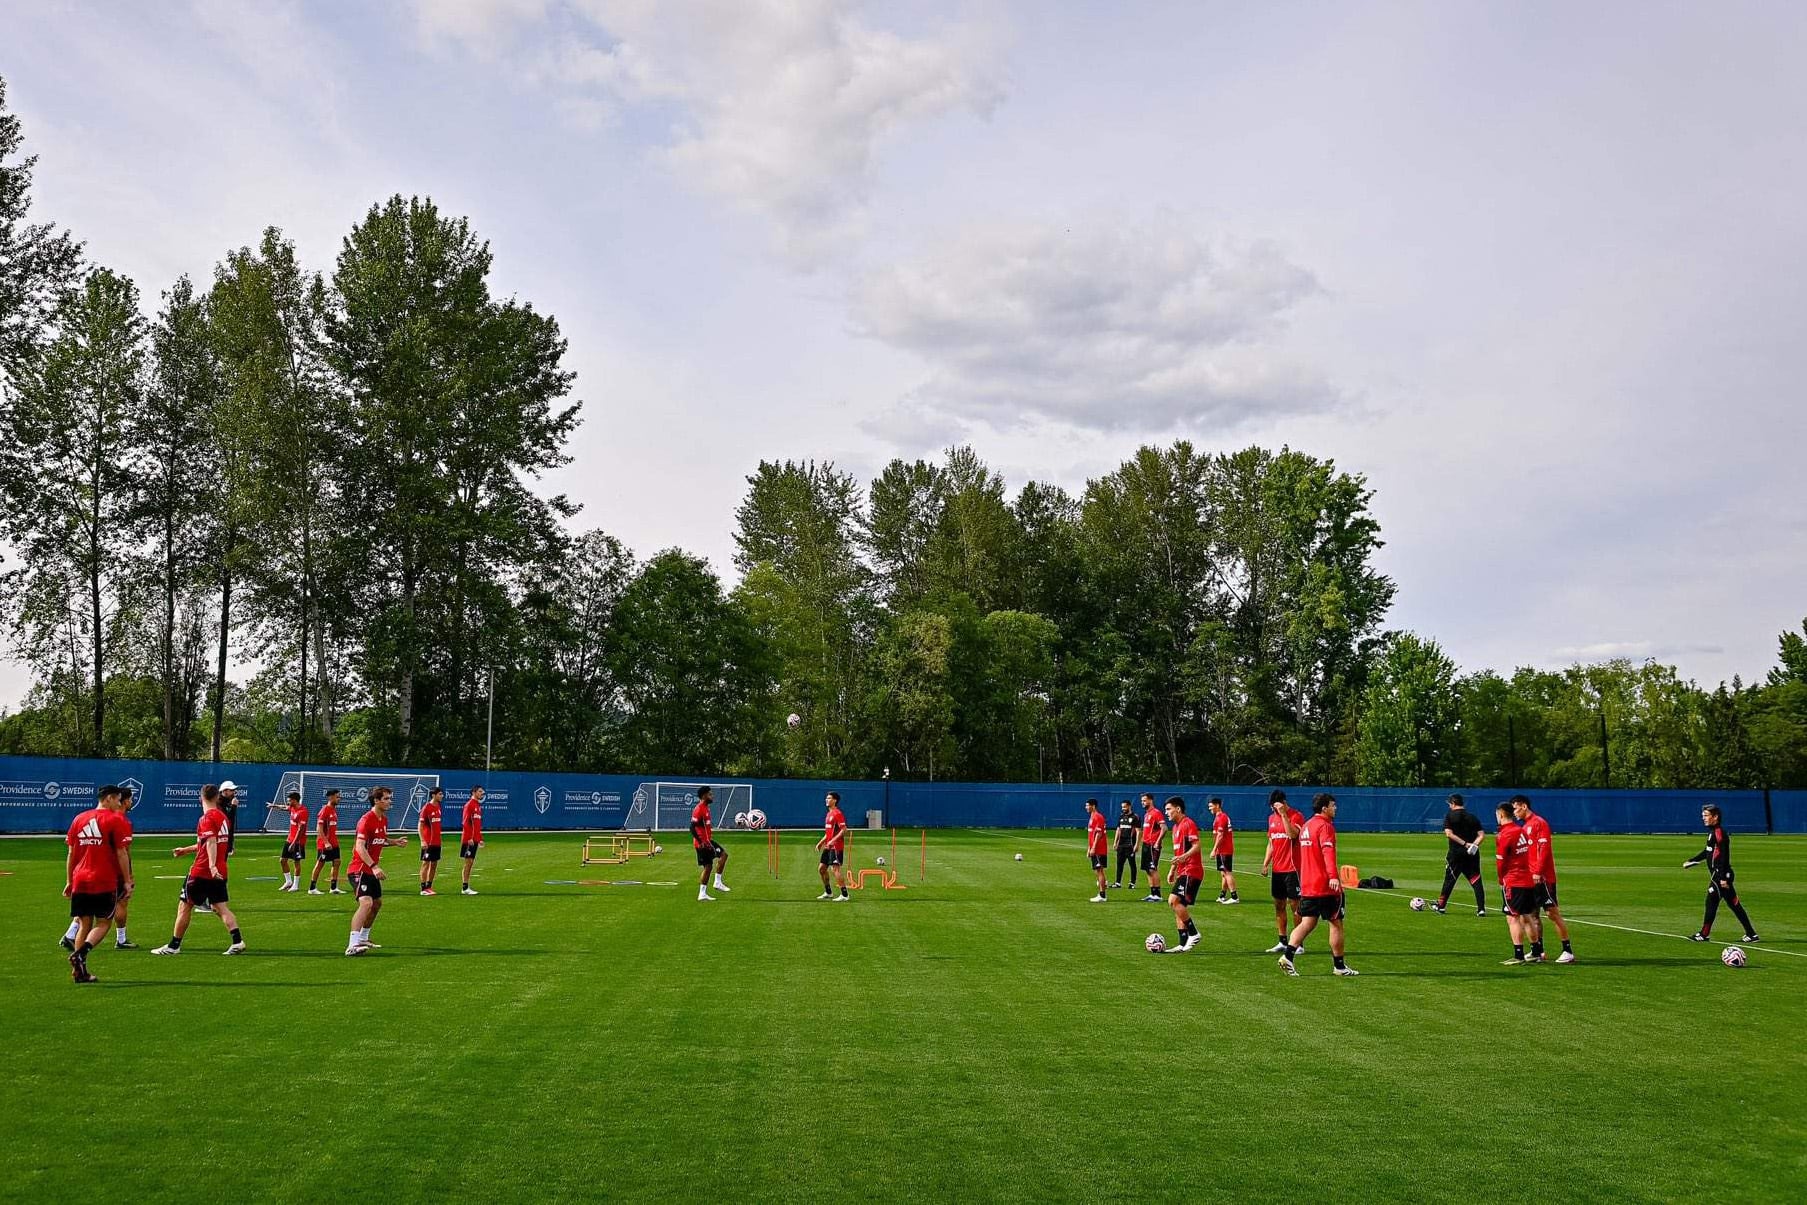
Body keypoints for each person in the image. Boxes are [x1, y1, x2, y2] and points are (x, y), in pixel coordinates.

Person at [152, 784, 246, 956]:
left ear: (200, 798)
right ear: (217, 797)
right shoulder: (223, 817)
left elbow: (210, 842)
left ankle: (174, 946)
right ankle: (237, 941)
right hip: (220, 870)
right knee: (220, 908)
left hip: (202, 871)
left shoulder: (206, 818)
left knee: (184, 906)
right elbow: (207, 843)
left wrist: (211, 865)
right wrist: (185, 850)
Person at [1277, 793, 1356, 977]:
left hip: (1308, 884)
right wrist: (1333, 877)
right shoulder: (1325, 826)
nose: (1335, 808)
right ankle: (1339, 966)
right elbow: (1328, 853)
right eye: (1333, 805)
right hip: (1325, 885)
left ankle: (1288, 956)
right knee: (1336, 923)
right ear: (1324, 808)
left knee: (1307, 923)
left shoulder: (1306, 826)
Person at [62, 784, 134, 984]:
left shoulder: (79, 818)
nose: (119, 804)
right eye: (118, 800)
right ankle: (81, 953)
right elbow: (121, 852)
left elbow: (71, 853)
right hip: (103, 879)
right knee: (103, 923)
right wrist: (127, 881)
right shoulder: (114, 820)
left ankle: (80, 971)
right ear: (109, 798)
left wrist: (69, 880)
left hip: (80, 879)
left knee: (84, 923)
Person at [345, 786, 408, 955]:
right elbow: (360, 846)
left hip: (370, 870)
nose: (389, 801)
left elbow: (379, 839)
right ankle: (352, 945)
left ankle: (363, 937)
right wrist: (374, 866)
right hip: (359, 869)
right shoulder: (366, 820)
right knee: (366, 903)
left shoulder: (383, 820)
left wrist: (393, 842)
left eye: (389, 798)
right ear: (376, 800)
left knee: (377, 903)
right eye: (386, 798)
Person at [1684, 804, 1760, 944]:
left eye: (1706, 815)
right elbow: (1707, 852)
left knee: (1711, 902)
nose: (1704, 818)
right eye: (1703, 816)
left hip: (1720, 876)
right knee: (1734, 905)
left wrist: (1723, 878)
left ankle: (1704, 934)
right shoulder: (1712, 832)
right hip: (1720, 876)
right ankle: (1751, 934)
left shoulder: (1719, 833)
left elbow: (1724, 856)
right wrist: (1692, 860)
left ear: (1715, 817)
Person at [1513, 795, 1573, 963]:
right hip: (1529, 878)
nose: (1514, 813)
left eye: (1515, 809)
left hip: (1543, 877)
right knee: (1532, 915)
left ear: (1524, 806)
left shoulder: (1539, 823)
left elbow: (1544, 849)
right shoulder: (1525, 827)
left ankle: (1567, 950)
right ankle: (1538, 951)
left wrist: (1538, 871)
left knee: (1552, 913)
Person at [1260, 789, 1306, 954]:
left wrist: (1284, 815)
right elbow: (1271, 843)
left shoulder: (1296, 816)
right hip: (1277, 870)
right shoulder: (1271, 819)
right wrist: (1266, 863)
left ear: (1284, 803)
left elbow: (1293, 835)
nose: (1274, 810)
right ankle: (1282, 941)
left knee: (1295, 906)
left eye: (1277, 806)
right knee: (1279, 906)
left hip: (1293, 869)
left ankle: (1298, 943)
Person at [1495, 801, 1540, 965]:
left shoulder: (1504, 834)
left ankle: (1518, 955)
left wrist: (1501, 880)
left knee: (1512, 918)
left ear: (1500, 814)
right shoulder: (1520, 830)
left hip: (1513, 881)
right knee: (1527, 916)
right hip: (1527, 879)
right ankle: (1536, 951)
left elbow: (1501, 861)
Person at [1430, 793, 1486, 916]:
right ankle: (1481, 908)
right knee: (1476, 880)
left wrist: (1465, 844)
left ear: (1453, 803)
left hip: (1456, 854)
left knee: (1449, 880)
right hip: (1471, 855)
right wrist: (1474, 845)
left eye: (1450, 804)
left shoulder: (1450, 816)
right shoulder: (1472, 817)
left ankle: (1441, 906)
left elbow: (1449, 834)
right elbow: (1481, 835)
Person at [1164, 797, 1203, 952]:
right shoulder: (1175, 828)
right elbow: (1178, 853)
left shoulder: (1188, 823)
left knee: (1173, 901)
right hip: (1182, 871)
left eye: (1168, 809)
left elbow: (1197, 845)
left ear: (1178, 809)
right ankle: (1182, 944)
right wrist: (1172, 870)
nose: (1166, 812)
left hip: (1192, 870)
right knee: (1178, 906)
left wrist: (1184, 857)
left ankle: (1194, 933)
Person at [691, 785, 729, 900]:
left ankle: (702, 894)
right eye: (710, 794)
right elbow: (692, 827)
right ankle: (717, 883)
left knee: (708, 867)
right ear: (704, 796)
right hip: (703, 843)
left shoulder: (706, 808)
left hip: (706, 841)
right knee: (723, 855)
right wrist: (700, 841)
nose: (712, 796)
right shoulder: (699, 809)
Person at [309, 788, 344, 894]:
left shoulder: (333, 810)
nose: (339, 799)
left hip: (334, 842)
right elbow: (318, 828)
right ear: (330, 797)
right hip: (325, 844)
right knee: (320, 863)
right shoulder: (325, 810)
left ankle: (333, 888)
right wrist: (325, 842)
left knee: (337, 862)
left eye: (339, 797)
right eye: (337, 797)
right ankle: (312, 888)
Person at [815, 791, 849, 901]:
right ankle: (828, 892)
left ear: (835, 800)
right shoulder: (829, 814)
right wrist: (821, 843)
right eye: (826, 798)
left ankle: (844, 895)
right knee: (821, 869)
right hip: (828, 847)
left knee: (835, 870)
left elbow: (844, 830)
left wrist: (833, 841)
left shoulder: (837, 813)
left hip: (836, 847)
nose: (826, 799)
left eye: (829, 798)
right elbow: (828, 832)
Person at [1208, 797, 1238, 904]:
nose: (1209, 808)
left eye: (1211, 806)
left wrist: (1214, 849)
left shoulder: (1221, 818)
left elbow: (1220, 835)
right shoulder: (1220, 817)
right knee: (1223, 873)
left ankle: (1234, 897)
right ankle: (1222, 895)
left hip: (1224, 849)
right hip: (1223, 849)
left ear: (1217, 806)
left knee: (1227, 872)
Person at [279, 789, 309, 892]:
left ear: (295, 801)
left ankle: (295, 885)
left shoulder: (303, 812)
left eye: (289, 800)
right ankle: (288, 881)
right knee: (282, 860)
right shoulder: (292, 808)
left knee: (296, 862)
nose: (288, 802)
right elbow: (285, 807)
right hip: (289, 839)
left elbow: (301, 830)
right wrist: (273, 806)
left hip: (298, 842)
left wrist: (293, 843)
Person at [1138, 794, 1165, 902]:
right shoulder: (1147, 814)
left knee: (1152, 868)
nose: (1142, 802)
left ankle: (1157, 894)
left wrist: (1157, 842)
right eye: (1142, 801)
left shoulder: (1156, 813)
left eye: (1144, 800)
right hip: (1146, 845)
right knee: (1147, 869)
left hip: (1153, 845)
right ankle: (1152, 893)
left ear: (1150, 800)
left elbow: (1164, 828)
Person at [418, 786, 445, 896]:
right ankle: (423, 888)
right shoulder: (426, 808)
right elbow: (420, 825)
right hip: (428, 842)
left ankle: (429, 886)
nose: (442, 796)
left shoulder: (438, 806)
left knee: (434, 864)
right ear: (433, 795)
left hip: (437, 842)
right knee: (426, 863)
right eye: (440, 794)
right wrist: (422, 840)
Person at [458, 786, 484, 896]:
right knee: (468, 862)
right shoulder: (469, 805)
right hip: (469, 840)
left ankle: (466, 886)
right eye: (480, 791)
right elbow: (465, 822)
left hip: (475, 839)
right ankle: (465, 887)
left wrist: (480, 838)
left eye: (482, 792)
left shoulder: (478, 806)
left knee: (471, 862)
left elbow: (477, 825)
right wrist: (469, 838)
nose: (482, 793)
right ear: (474, 792)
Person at [1111, 800, 1140, 890]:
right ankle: (1118, 882)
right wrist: (1115, 842)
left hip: (1130, 845)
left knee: (1132, 864)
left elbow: (1138, 831)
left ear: (1129, 806)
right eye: (1122, 807)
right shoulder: (1121, 817)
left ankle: (1132, 883)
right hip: (1121, 844)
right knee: (1119, 863)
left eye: (1124, 807)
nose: (1123, 809)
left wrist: (1137, 845)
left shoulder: (1135, 817)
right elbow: (1118, 830)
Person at [1084, 798, 1109, 902]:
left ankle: (1102, 895)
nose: (1086, 807)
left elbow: (1098, 834)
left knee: (1099, 871)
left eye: (1087, 805)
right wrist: (1089, 848)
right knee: (1097, 870)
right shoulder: (1092, 817)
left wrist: (1093, 847)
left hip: (1099, 849)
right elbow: (1092, 834)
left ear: (1093, 806)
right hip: (1095, 848)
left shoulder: (1098, 817)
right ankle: (1102, 888)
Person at [218, 779, 240, 854]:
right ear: (224, 791)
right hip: (220, 840)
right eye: (231, 790)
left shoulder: (227, 802)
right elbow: (226, 820)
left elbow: (231, 822)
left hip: (226, 839)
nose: (234, 792)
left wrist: (231, 841)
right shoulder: (219, 804)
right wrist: (233, 806)